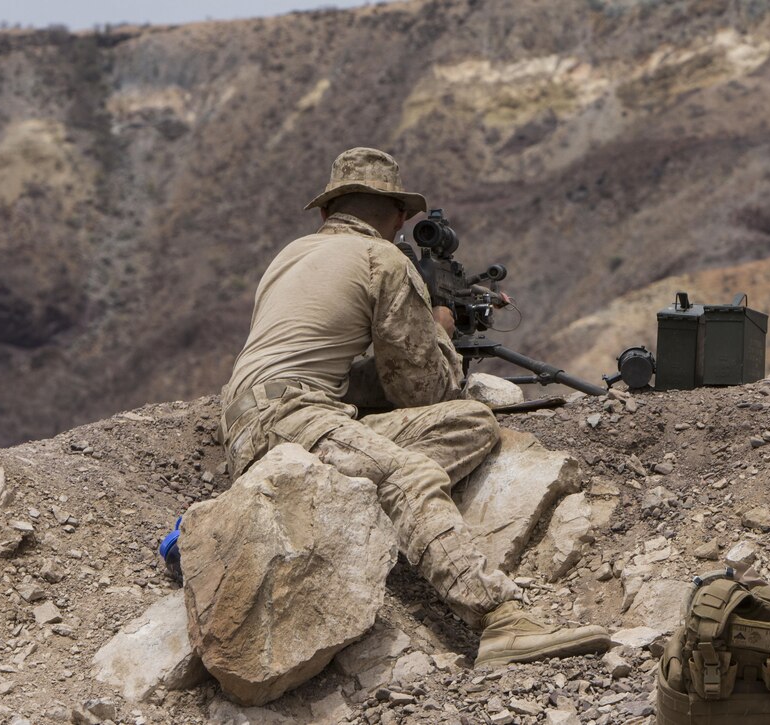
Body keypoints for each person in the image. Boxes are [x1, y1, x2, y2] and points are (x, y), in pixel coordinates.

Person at [219, 147, 610, 667]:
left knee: (472, 421)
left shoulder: (289, 255)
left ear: (325, 212)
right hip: (289, 420)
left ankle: (362, 495)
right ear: (401, 217)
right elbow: (423, 391)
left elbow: (349, 372)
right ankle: (499, 620)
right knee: (408, 474)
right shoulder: (384, 259)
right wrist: (441, 332)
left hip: (255, 416)